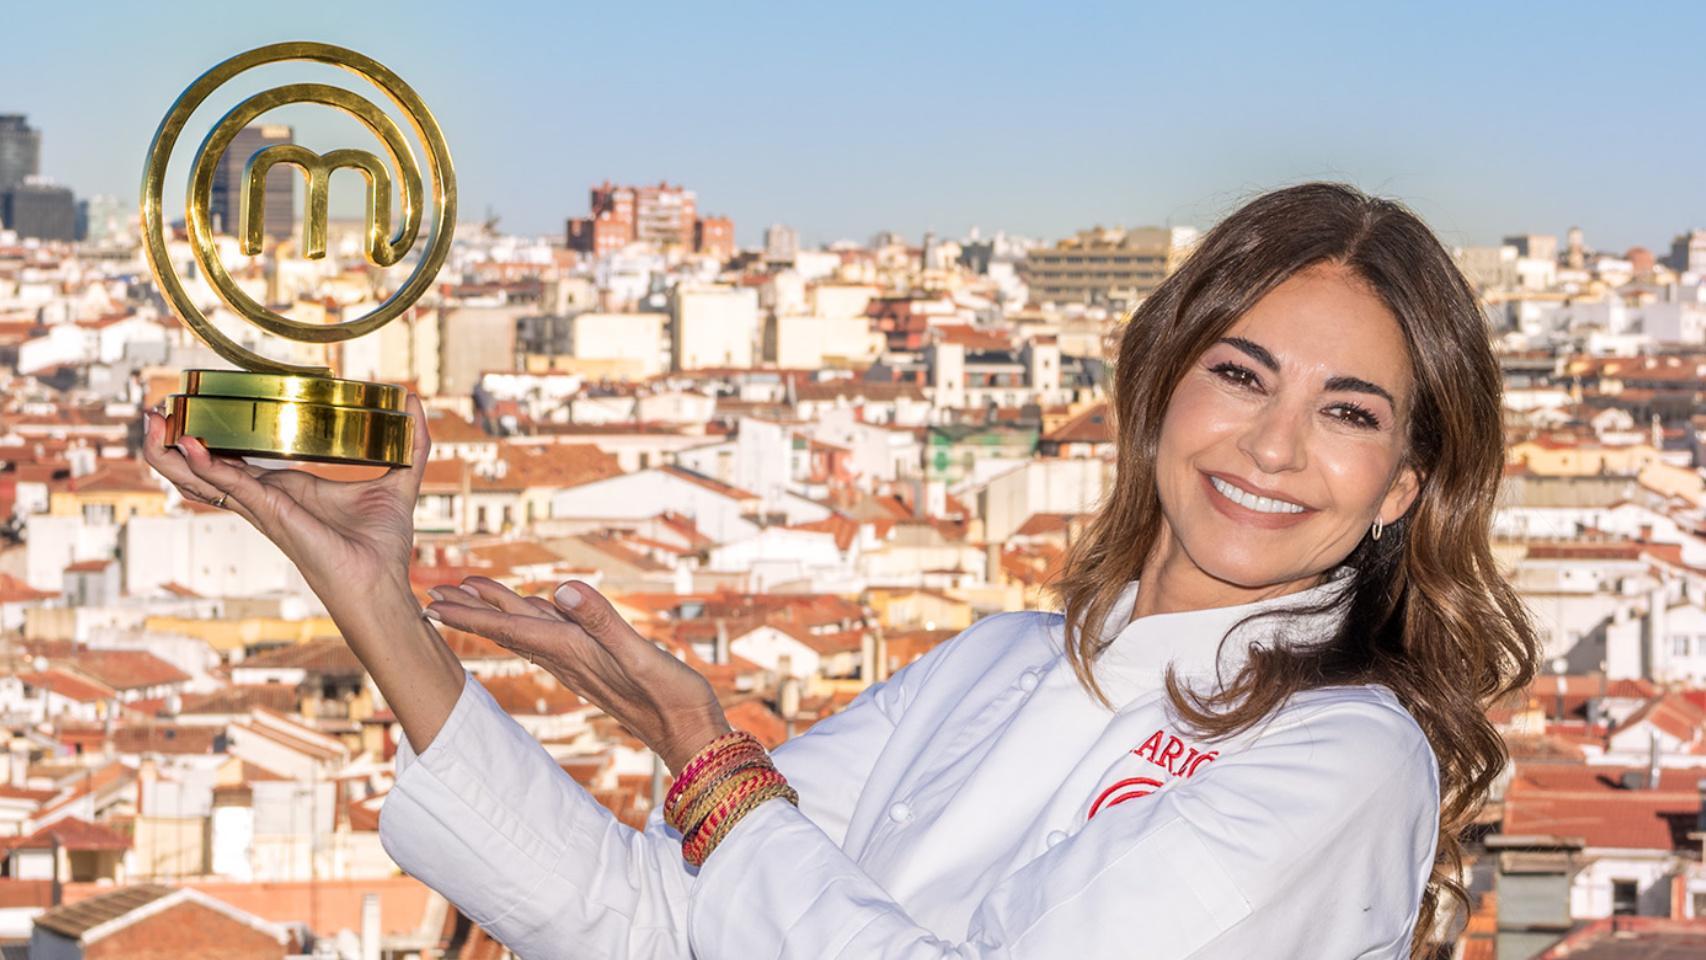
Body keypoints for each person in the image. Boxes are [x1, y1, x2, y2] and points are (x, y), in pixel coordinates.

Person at [141, 181, 1539, 959]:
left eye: (1347, 412)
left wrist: (702, 751)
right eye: (1240, 375)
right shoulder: (993, 662)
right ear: (1158, 387)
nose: (1274, 445)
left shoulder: (1346, 756)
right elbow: (656, 924)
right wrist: (372, 592)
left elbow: (743, 853)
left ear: (1403, 487)